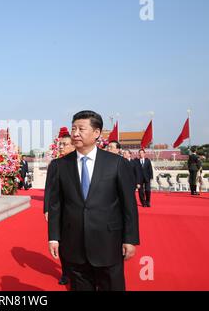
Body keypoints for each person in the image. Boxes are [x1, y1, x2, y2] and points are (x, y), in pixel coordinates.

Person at [48, 110, 139, 291]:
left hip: (109, 242)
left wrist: (130, 239)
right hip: (74, 243)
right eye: (74, 128)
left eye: (81, 129)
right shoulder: (60, 165)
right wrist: (54, 237)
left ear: (96, 133)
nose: (75, 133)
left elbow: (128, 204)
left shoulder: (116, 163)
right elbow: (56, 205)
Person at [44, 127, 75, 285]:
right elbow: (49, 188)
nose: (61, 147)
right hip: (60, 211)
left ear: (74, 145)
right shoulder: (55, 165)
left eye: (65, 144)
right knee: (62, 243)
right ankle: (66, 272)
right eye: (60, 144)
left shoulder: (81, 163)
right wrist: (47, 209)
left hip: (76, 210)